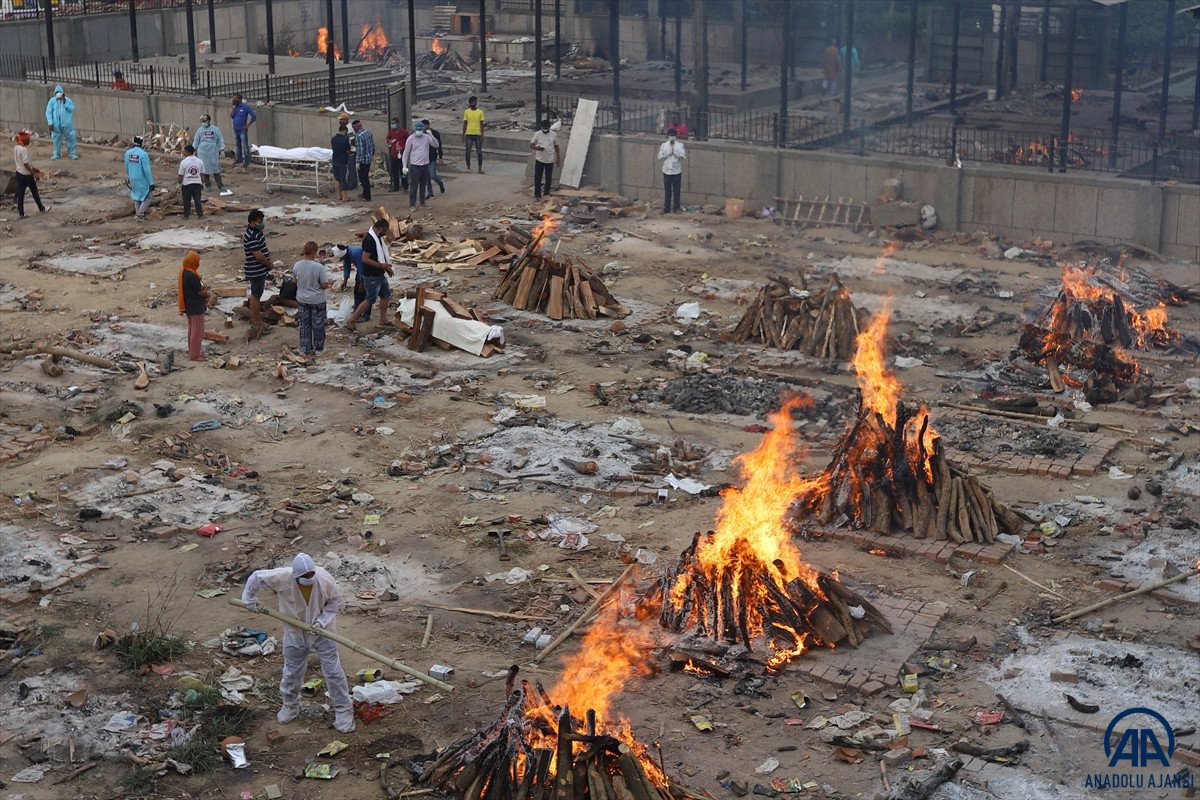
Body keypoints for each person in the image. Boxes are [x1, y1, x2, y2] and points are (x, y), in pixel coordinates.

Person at [241, 553, 354, 734]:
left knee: (333, 671)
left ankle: (343, 710)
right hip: (294, 631)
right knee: (292, 671)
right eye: (304, 577)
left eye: (311, 575)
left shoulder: (324, 579)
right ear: (296, 576)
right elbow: (256, 577)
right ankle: (290, 705)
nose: (308, 579)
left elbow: (335, 602)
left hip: (323, 632)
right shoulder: (283, 577)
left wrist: (321, 622)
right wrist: (250, 600)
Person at [344, 219, 393, 332]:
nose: (385, 233)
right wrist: (381, 266)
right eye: (384, 230)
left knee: (385, 295)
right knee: (370, 299)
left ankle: (383, 319)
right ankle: (352, 320)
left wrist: (386, 268)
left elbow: (380, 256)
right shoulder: (369, 240)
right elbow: (365, 259)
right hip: (371, 275)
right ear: (379, 228)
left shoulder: (378, 238)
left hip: (379, 273)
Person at [293, 241, 330, 360]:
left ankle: (305, 347)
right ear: (314, 252)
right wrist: (316, 285)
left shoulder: (297, 265)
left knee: (304, 324)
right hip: (317, 299)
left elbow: (295, 281)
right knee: (318, 325)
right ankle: (318, 348)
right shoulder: (318, 267)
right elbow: (324, 285)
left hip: (302, 299)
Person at [243, 209, 272, 340]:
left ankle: (256, 319)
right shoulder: (251, 236)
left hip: (259, 269)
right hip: (256, 269)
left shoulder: (256, 232)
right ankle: (256, 321)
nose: (261, 224)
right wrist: (268, 264)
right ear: (252, 222)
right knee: (256, 295)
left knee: (257, 294)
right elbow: (259, 256)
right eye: (258, 222)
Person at [178, 251, 209, 361]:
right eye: (197, 261)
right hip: (196, 306)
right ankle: (195, 355)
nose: (198, 264)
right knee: (197, 332)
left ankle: (192, 351)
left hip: (189, 305)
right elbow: (199, 292)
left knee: (192, 330)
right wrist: (208, 294)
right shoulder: (192, 275)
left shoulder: (185, 271)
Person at [193, 114, 232, 196]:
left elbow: (220, 139)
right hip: (202, 151)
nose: (203, 123)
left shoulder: (215, 129)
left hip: (213, 151)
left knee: (215, 168)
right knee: (204, 169)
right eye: (202, 122)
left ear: (209, 121)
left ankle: (220, 186)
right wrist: (193, 150)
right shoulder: (200, 130)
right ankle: (207, 185)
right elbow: (196, 140)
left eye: (204, 121)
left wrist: (222, 149)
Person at [13, 130, 48, 219]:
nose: (29, 141)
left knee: (21, 194)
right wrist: (34, 174)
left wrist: (33, 168)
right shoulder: (24, 149)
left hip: (19, 173)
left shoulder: (16, 147)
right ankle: (42, 208)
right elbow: (25, 163)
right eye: (28, 139)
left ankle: (21, 213)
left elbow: (24, 162)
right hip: (27, 175)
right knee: (35, 193)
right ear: (25, 140)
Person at [333, 243, 371, 322]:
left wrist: (362, 283)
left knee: (367, 293)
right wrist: (345, 281)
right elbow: (346, 266)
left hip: (369, 269)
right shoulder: (346, 255)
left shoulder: (355, 253)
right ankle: (357, 312)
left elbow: (362, 268)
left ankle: (366, 315)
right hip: (362, 271)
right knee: (357, 292)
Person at [401, 122, 433, 213]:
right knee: (414, 186)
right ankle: (412, 204)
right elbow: (406, 153)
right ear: (415, 130)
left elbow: (436, 145)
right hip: (415, 165)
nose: (419, 132)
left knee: (423, 185)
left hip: (425, 164)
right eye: (417, 130)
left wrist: (431, 135)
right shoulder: (410, 139)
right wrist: (404, 166)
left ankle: (422, 202)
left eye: (420, 130)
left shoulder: (427, 138)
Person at [124, 135, 155, 221]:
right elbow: (147, 170)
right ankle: (140, 214)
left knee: (137, 196)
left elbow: (127, 167)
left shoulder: (128, 153)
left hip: (133, 178)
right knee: (148, 197)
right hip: (142, 179)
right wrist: (151, 183)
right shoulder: (143, 154)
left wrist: (129, 177)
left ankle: (138, 214)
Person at [529, 118, 561, 200]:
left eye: (547, 127)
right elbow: (531, 145)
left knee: (548, 177)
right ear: (541, 126)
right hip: (539, 159)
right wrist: (537, 148)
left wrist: (558, 158)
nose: (545, 129)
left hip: (550, 159)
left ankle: (546, 193)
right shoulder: (537, 134)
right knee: (538, 177)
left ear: (549, 126)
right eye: (544, 127)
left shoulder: (553, 134)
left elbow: (556, 146)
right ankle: (537, 194)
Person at [45, 85, 78, 161]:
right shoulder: (52, 101)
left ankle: (72, 153)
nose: (58, 94)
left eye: (59, 92)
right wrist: (50, 123)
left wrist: (64, 102)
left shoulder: (68, 100)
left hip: (66, 124)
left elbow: (71, 109)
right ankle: (57, 154)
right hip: (56, 124)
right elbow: (48, 112)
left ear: (63, 93)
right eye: (57, 92)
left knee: (70, 137)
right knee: (56, 139)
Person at [657, 128, 686, 214]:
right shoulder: (664, 145)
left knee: (677, 190)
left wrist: (675, 153)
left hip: (676, 171)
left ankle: (676, 208)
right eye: (670, 135)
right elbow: (659, 157)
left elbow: (683, 156)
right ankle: (667, 208)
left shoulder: (680, 145)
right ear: (668, 136)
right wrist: (668, 153)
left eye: (673, 135)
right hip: (666, 170)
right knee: (667, 190)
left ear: (676, 136)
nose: (672, 137)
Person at [421, 118, 446, 200]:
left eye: (424, 126)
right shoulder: (421, 134)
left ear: (428, 125)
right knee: (427, 177)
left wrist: (441, 157)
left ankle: (440, 183)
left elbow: (439, 146)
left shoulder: (435, 133)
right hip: (424, 158)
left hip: (432, 157)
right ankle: (430, 193)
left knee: (432, 175)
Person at [177, 144, 205, 220]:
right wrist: (202, 183)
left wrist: (179, 183)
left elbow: (180, 175)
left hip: (187, 184)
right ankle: (200, 215)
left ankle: (186, 216)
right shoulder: (200, 161)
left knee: (186, 201)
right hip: (197, 183)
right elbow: (202, 174)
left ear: (187, 152)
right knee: (197, 200)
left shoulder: (184, 162)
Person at [230, 94, 257, 168]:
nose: (234, 100)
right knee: (238, 145)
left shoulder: (245, 107)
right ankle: (239, 159)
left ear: (239, 99)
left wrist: (248, 125)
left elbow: (253, 115)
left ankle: (247, 161)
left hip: (242, 129)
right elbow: (232, 116)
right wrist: (233, 107)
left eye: (235, 99)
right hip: (236, 129)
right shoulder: (236, 107)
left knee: (245, 145)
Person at [352, 120, 375, 202]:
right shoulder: (368, 132)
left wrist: (358, 162)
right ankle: (365, 193)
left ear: (355, 128)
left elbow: (360, 150)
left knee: (363, 178)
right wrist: (372, 154)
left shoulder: (359, 136)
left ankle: (367, 196)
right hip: (368, 158)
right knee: (365, 177)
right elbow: (372, 145)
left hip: (363, 160)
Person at [386, 117, 409, 193]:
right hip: (393, 154)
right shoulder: (391, 131)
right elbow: (388, 138)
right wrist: (390, 142)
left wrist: (403, 147)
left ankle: (405, 186)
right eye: (391, 123)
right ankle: (396, 186)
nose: (392, 125)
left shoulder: (404, 132)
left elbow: (408, 141)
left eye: (393, 123)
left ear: (398, 123)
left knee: (403, 171)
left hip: (402, 154)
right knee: (394, 171)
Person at [462, 95, 485, 173]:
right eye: (471, 102)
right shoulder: (466, 112)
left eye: (474, 102)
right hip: (469, 134)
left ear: (476, 103)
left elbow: (482, 124)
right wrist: (462, 135)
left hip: (477, 134)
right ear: (469, 103)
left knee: (479, 151)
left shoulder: (480, 112)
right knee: (468, 151)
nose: (473, 104)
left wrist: (482, 135)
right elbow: (465, 124)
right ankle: (468, 166)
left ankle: (480, 168)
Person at [331, 124, 351, 202]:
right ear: (344, 131)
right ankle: (345, 197)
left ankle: (339, 196)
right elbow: (348, 151)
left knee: (337, 179)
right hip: (342, 161)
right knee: (343, 179)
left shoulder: (333, 139)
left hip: (335, 160)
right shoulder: (345, 139)